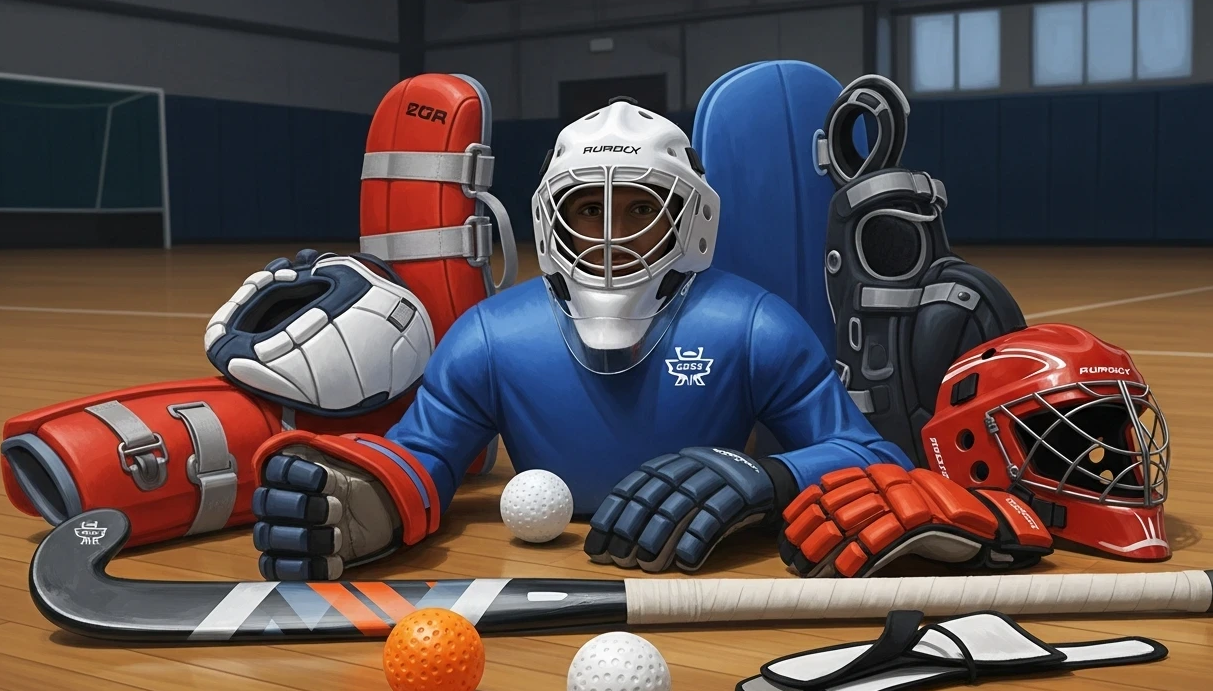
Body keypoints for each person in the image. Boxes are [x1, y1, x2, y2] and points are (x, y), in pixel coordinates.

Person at [250, 98, 912, 582]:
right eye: (589, 208)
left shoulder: (751, 325)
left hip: (700, 566)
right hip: (552, 573)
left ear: (690, 217)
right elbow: (423, 458)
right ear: (551, 217)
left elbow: (877, 460)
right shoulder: (490, 337)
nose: (609, 234)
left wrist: (769, 479)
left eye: (641, 207)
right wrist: (370, 498)